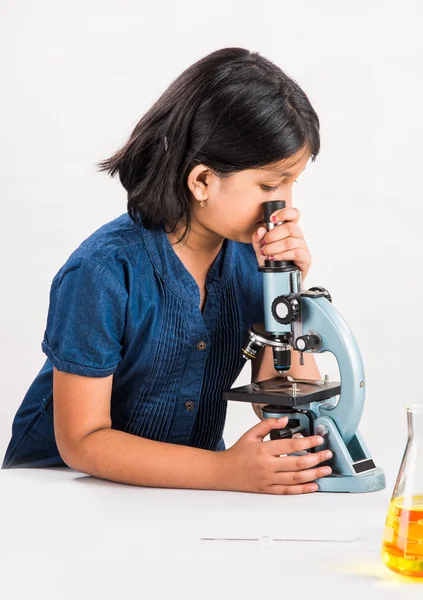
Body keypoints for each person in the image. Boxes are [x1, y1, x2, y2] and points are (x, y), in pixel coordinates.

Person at [2, 47, 333, 494]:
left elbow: (278, 392)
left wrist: (288, 291)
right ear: (202, 182)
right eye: (270, 185)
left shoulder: (252, 263)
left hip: (181, 489)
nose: (285, 205)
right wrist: (225, 472)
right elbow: (81, 441)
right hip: (65, 490)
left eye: (293, 184)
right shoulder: (101, 273)